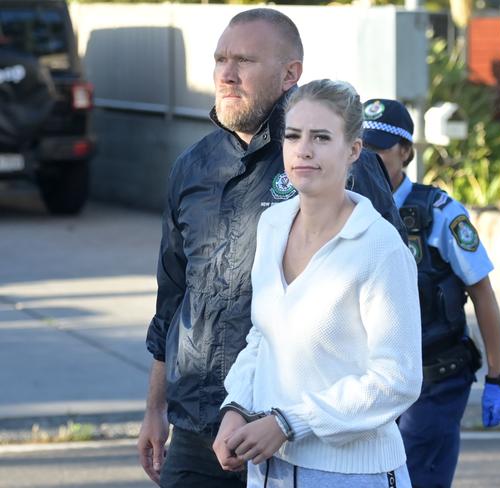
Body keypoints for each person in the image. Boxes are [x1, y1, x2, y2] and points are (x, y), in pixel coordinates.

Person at [137, 9, 405, 488]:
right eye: (220, 59)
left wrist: (309, 420)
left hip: (303, 437)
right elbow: (173, 297)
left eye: (244, 60)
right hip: (204, 431)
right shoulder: (191, 168)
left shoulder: (332, 166)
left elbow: (391, 308)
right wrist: (156, 408)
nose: (227, 73)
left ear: (290, 75)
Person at [213, 79, 422, 488]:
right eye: (293, 136)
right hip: (268, 470)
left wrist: (290, 422)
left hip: (353, 475)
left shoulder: (380, 247)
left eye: (322, 138)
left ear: (354, 151)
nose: (303, 149)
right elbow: (263, 337)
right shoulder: (273, 225)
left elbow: (398, 379)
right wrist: (235, 408)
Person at [361, 98, 500, 488]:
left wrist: (498, 376)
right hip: (369, 379)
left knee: (419, 477)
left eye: (380, 149)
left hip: (435, 378)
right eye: (361, 148)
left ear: (406, 152)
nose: (369, 159)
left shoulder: (439, 212)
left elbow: (481, 290)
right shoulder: (347, 207)